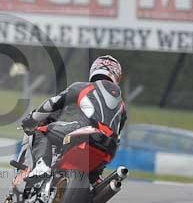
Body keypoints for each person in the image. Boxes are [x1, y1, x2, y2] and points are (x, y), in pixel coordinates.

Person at [19, 55, 127, 186]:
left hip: (85, 132)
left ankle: (41, 166)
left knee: (40, 131)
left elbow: (52, 104)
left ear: (94, 70)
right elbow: (118, 135)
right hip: (109, 149)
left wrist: (32, 118)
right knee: (94, 180)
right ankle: (96, 181)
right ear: (117, 76)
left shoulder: (83, 87)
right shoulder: (121, 105)